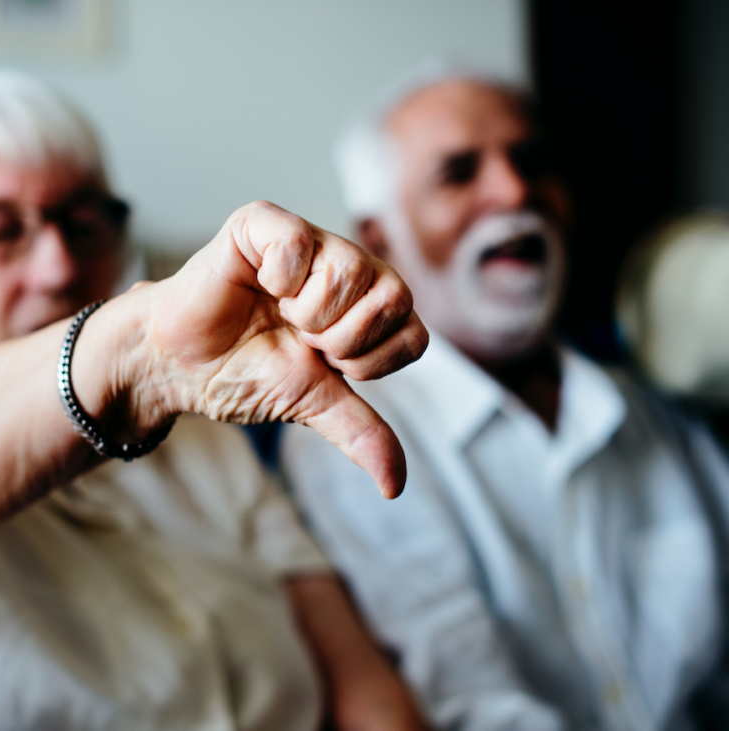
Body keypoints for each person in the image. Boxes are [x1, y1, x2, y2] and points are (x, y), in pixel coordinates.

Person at [0, 70, 430, 731]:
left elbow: (367, 695)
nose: (60, 266)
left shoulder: (205, 445)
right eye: (1, 230)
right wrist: (135, 353)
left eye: (85, 221)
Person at [281, 64, 729, 731]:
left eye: (532, 161)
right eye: (459, 172)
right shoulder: (355, 436)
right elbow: (471, 704)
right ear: (378, 237)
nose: (516, 189)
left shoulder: (659, 410)